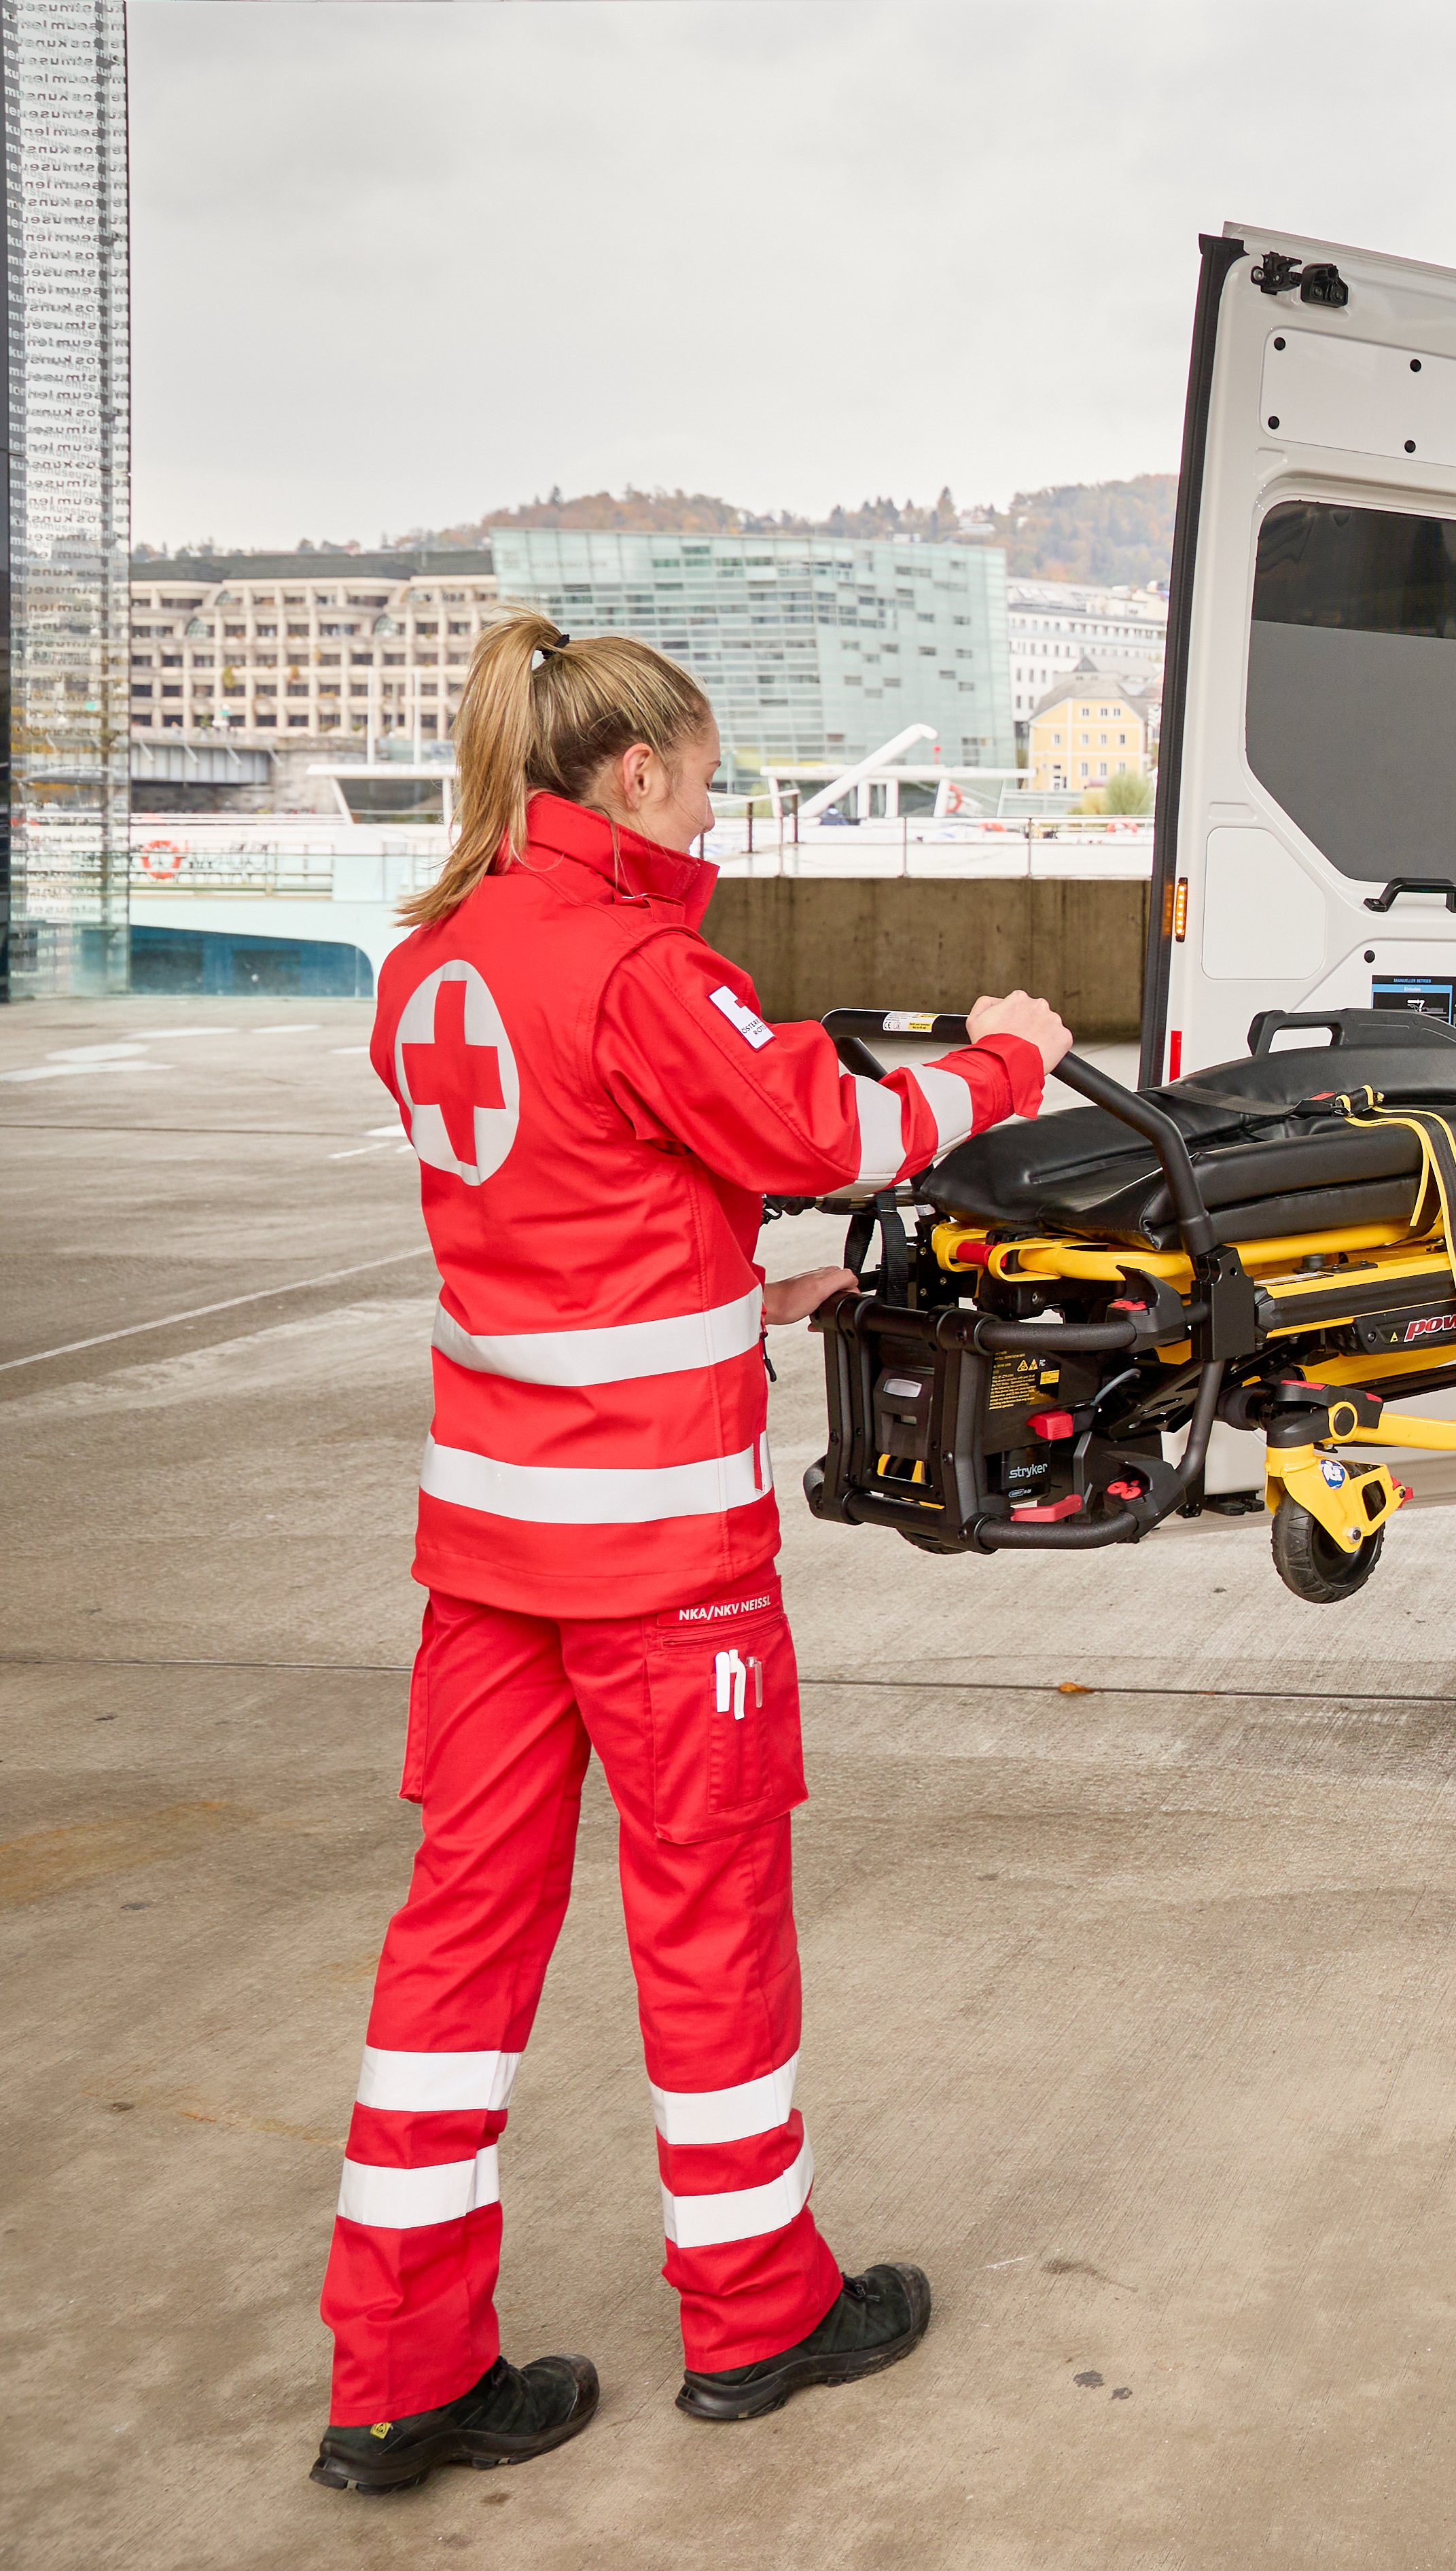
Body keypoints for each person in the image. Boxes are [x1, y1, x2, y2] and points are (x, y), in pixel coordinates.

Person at [310, 614, 1074, 2492]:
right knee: (706, 1925)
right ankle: (757, 2317)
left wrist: (741, 1289)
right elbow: (837, 1122)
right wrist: (1002, 1063)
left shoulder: (426, 971)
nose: (709, 802)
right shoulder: (645, 964)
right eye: (709, 773)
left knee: (456, 1946)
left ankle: (398, 2375)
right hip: (662, 1561)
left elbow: (565, 1231)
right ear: (636, 772)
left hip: (490, 1552)